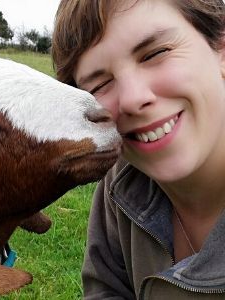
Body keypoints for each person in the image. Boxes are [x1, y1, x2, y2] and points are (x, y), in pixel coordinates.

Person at [51, 0, 225, 299]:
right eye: (100, 84)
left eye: (156, 53)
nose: (132, 99)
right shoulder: (120, 185)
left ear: (220, 49)